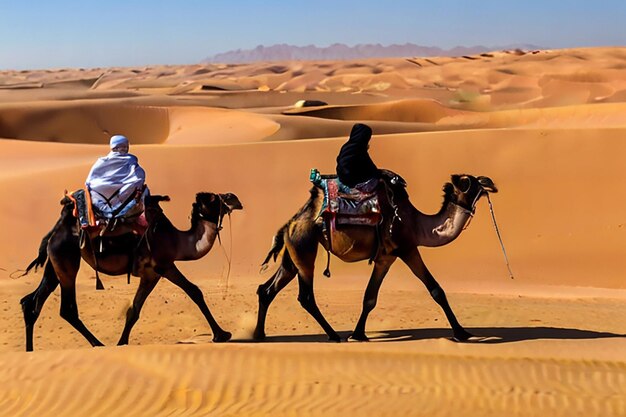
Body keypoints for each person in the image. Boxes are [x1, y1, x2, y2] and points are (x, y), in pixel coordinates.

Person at [85, 135, 149, 222]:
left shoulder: (101, 162)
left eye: (126, 146)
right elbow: (139, 178)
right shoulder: (130, 160)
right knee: (144, 191)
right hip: (123, 205)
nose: (126, 149)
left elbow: (88, 182)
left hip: (100, 204)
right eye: (124, 146)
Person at [336, 123, 380, 188]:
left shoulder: (359, 148)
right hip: (354, 182)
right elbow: (344, 168)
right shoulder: (354, 148)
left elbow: (368, 165)